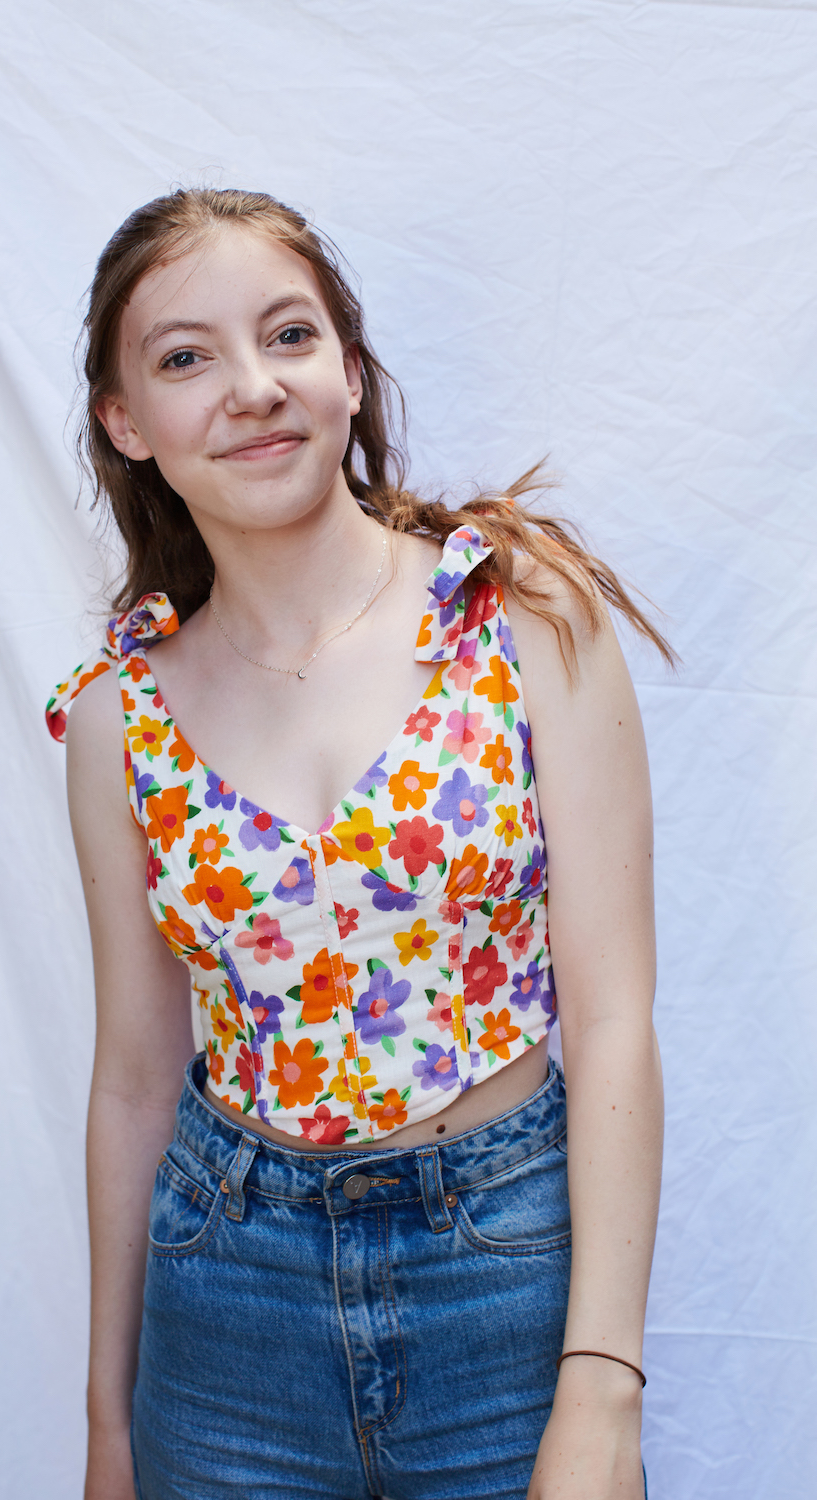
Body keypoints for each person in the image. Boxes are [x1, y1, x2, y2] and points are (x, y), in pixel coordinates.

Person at [47, 188, 671, 1500]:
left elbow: (615, 1017)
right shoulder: (116, 715)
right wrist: (107, 1425)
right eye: (185, 358)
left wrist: (602, 1385)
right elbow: (134, 1079)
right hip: (226, 1302)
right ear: (126, 423)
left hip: (505, 1273)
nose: (252, 387)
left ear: (347, 369)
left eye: (289, 335)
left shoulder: (518, 617)